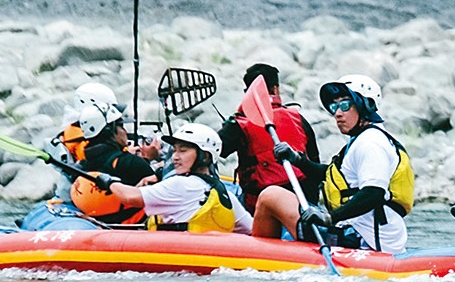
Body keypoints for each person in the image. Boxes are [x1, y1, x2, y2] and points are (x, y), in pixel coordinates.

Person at [258, 74, 412, 252]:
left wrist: (330, 218)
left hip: (361, 239)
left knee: (270, 196)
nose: (337, 113)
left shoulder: (371, 143)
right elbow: (331, 175)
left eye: (345, 105)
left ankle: (257, 260)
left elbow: (374, 193)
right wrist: (297, 160)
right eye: (334, 106)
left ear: (366, 105)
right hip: (358, 232)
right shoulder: (363, 139)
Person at [96, 123, 252, 233]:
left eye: (183, 151)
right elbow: (251, 229)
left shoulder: (181, 184)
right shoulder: (225, 193)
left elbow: (130, 197)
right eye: (175, 151)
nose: (175, 157)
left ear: (204, 156)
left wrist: (109, 181)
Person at [220, 63, 320, 213]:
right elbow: (314, 162)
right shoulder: (298, 118)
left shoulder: (240, 124)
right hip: (304, 198)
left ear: (247, 92)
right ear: (276, 89)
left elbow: (214, 149)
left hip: (262, 204)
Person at [68, 95, 163, 223]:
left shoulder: (85, 163)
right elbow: (162, 193)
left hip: (104, 222)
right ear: (109, 130)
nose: (125, 131)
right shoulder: (131, 163)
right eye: (121, 126)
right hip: (135, 222)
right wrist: (150, 159)